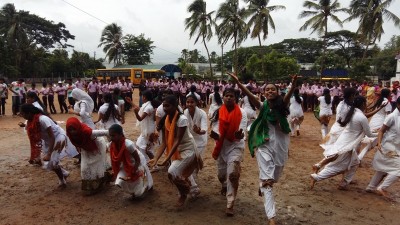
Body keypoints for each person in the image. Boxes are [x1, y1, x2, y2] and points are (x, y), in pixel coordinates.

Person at [229, 73, 296, 225]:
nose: (270, 91)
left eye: (273, 90)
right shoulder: (262, 105)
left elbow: (288, 97)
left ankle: (262, 185)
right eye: (267, 90)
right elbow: (249, 94)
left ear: (277, 92)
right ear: (264, 93)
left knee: (275, 178)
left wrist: (292, 85)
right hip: (264, 145)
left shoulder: (282, 106)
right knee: (268, 182)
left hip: (281, 147)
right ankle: (271, 218)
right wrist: (239, 83)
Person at [310, 96, 377, 190]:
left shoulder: (351, 112)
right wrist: (381, 133)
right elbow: (369, 134)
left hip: (344, 140)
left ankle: (342, 182)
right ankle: (318, 177)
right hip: (348, 144)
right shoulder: (361, 117)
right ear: (363, 104)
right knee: (341, 166)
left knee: (353, 162)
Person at [149, 95, 202, 207]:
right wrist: (156, 159)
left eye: (167, 106)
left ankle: (183, 194)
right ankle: (194, 190)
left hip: (188, 149)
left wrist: (166, 159)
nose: (164, 108)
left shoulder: (182, 119)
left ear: (175, 106)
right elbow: (164, 142)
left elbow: (177, 140)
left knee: (172, 172)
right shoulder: (166, 119)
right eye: (163, 106)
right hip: (177, 150)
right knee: (181, 171)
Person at [19, 104, 78, 188]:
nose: (22, 116)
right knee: (48, 164)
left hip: (57, 137)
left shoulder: (43, 119)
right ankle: (64, 173)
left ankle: (62, 181)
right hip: (48, 141)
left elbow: (52, 136)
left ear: (29, 113)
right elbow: (33, 129)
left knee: (53, 161)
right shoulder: (30, 121)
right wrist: (35, 156)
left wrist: (49, 153)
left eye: (23, 114)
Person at [209, 87, 247, 217]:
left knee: (233, 174)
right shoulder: (218, 112)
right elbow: (215, 130)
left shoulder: (242, 112)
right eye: (226, 96)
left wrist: (239, 135)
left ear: (235, 98)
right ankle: (224, 185)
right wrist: (215, 135)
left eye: (231, 96)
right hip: (221, 146)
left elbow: (242, 133)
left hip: (236, 146)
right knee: (221, 175)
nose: (229, 98)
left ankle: (230, 203)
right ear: (223, 97)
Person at [366, 97, 400, 201]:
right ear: (398, 105)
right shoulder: (392, 116)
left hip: (393, 146)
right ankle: (382, 187)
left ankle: (371, 187)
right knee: (398, 169)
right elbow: (381, 131)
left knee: (382, 169)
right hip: (388, 146)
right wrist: (379, 143)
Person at [66, 117, 109, 195]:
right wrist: (78, 147)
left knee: (97, 167)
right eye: (70, 130)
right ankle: (91, 187)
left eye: (74, 129)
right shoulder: (69, 134)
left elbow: (106, 132)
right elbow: (76, 142)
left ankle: (100, 184)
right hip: (85, 148)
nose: (72, 132)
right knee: (84, 168)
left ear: (78, 127)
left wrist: (113, 140)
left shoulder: (87, 132)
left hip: (97, 147)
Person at [109, 124, 153, 197]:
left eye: (113, 135)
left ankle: (145, 187)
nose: (111, 138)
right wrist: (114, 170)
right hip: (126, 164)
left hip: (137, 163)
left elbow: (137, 160)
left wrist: (132, 173)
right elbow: (115, 160)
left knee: (139, 191)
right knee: (119, 182)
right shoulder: (111, 145)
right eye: (110, 135)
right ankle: (134, 191)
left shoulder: (128, 145)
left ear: (120, 135)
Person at [184, 94, 208, 197]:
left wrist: (199, 131)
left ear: (196, 103)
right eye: (188, 102)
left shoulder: (202, 113)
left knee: (195, 165)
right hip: (189, 141)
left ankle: (193, 188)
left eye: (192, 102)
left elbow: (204, 129)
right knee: (188, 164)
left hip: (201, 142)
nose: (189, 104)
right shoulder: (185, 112)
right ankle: (194, 188)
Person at [125, 90, 158, 162]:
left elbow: (140, 118)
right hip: (147, 130)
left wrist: (136, 113)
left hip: (148, 131)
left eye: (142, 96)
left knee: (147, 149)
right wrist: (130, 102)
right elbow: (140, 109)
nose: (141, 98)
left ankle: (153, 164)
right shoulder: (147, 106)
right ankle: (147, 162)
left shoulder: (148, 107)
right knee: (140, 145)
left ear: (145, 97)